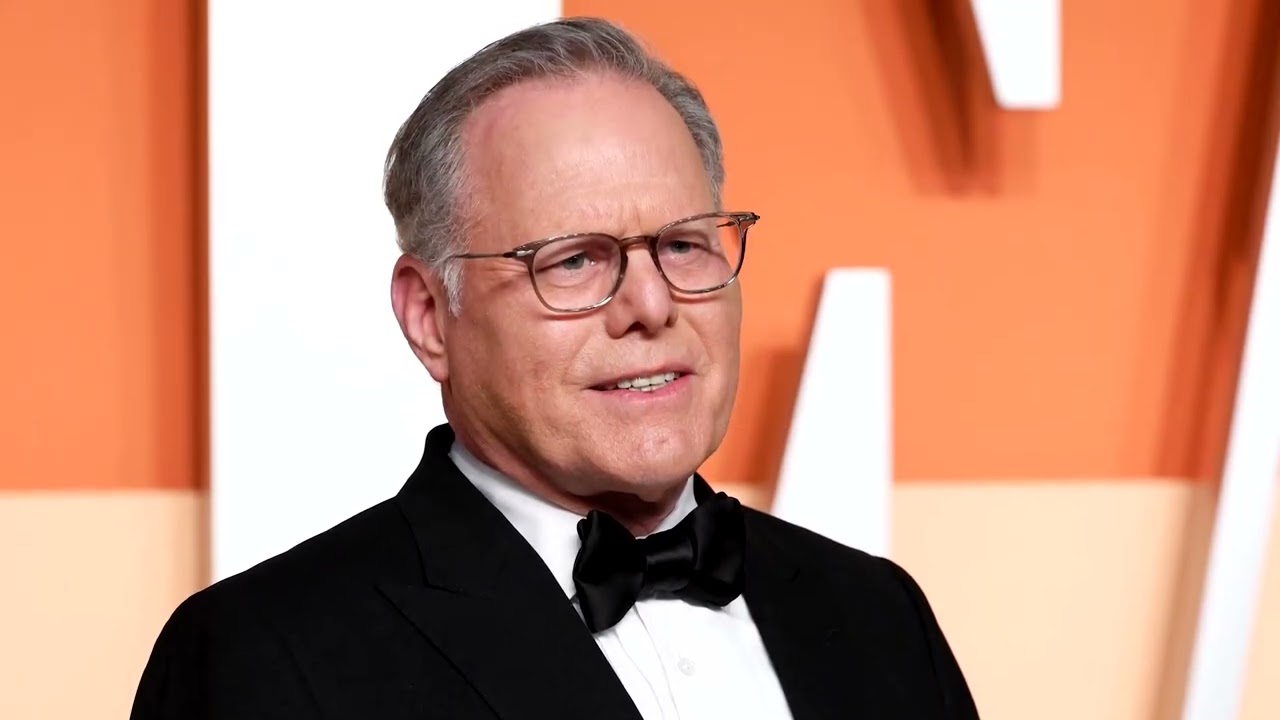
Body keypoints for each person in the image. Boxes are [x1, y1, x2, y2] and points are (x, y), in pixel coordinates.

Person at [131, 17, 978, 719]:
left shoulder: (879, 615)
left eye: (685, 245)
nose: (651, 304)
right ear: (429, 316)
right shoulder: (263, 658)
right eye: (574, 260)